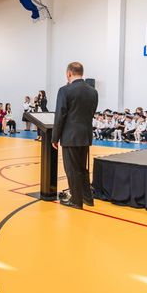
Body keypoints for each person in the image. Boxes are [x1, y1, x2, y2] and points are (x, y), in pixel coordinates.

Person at [52, 62, 98, 209]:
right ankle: (87, 198)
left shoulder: (65, 90)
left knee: (72, 169)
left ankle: (76, 201)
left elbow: (60, 115)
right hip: (85, 134)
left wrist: (55, 137)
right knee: (82, 168)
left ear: (69, 73)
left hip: (70, 135)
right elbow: (92, 112)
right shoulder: (93, 91)